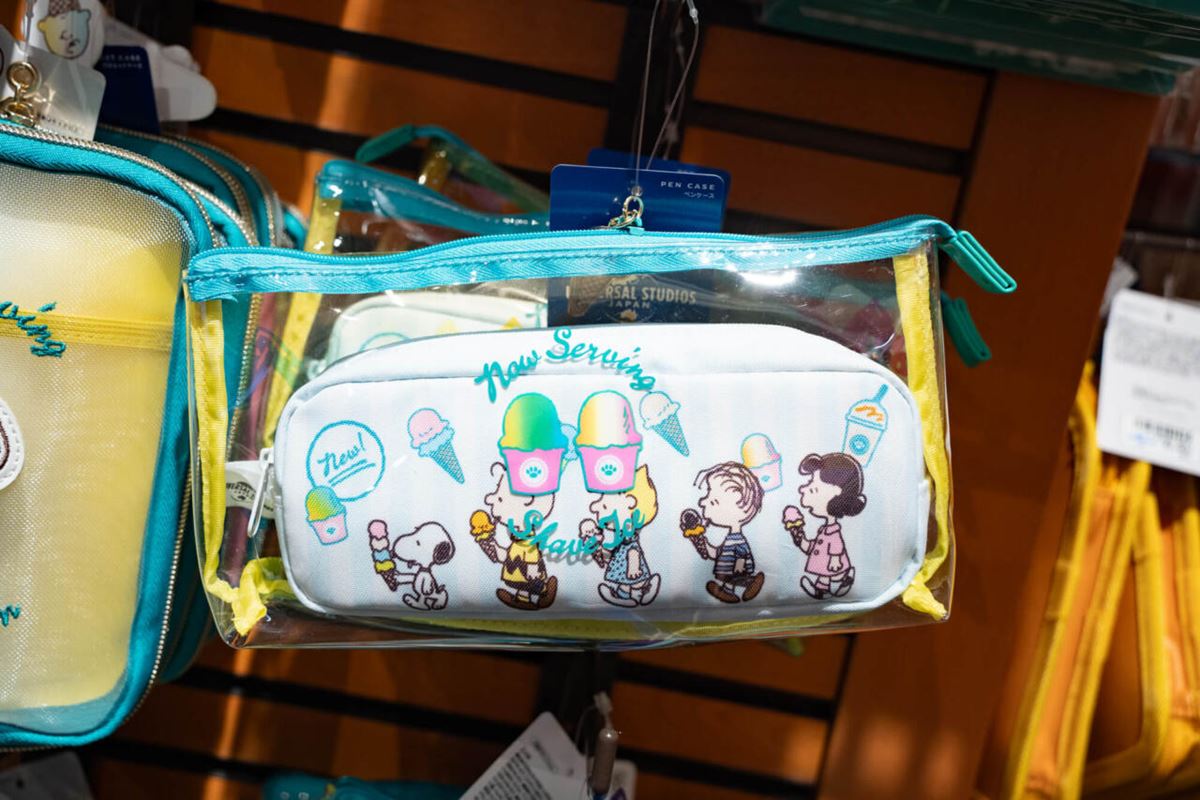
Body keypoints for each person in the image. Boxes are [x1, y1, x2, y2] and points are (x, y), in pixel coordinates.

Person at [785, 452, 866, 599]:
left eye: (814, 489)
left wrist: (835, 559)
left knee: (827, 574)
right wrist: (801, 540)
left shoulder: (832, 531)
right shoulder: (824, 529)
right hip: (827, 562)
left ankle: (837, 583)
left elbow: (836, 545)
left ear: (836, 493)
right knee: (826, 574)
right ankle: (833, 584)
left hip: (832, 563)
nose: (802, 489)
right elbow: (816, 547)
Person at [579, 464, 661, 608]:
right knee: (625, 584)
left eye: (605, 506)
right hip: (622, 566)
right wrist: (601, 551)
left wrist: (634, 567)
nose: (594, 507)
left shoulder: (629, 537)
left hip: (631, 569)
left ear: (630, 503)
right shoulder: (621, 536)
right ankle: (623, 596)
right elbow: (614, 553)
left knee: (635, 582)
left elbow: (633, 551)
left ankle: (645, 589)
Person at [684, 461, 765, 604]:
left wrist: (738, 569)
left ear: (736, 500)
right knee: (730, 579)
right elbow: (718, 553)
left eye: (713, 501)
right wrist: (702, 543)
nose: (702, 502)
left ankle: (750, 583)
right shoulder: (730, 539)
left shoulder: (737, 539)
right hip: (729, 572)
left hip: (736, 572)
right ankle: (728, 590)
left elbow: (741, 554)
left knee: (735, 579)